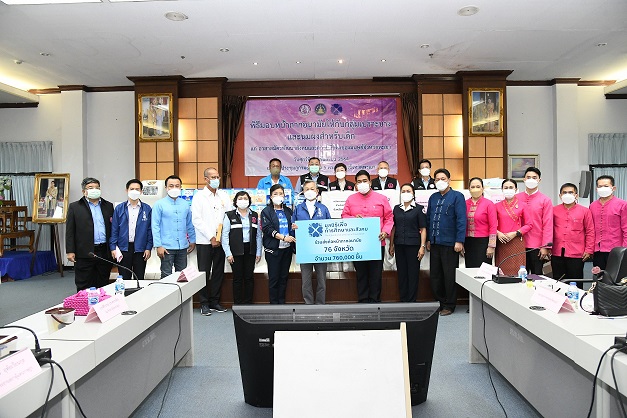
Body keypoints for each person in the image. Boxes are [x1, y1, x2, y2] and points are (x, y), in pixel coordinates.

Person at [341, 170, 393, 303]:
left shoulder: (381, 198)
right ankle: (363, 301)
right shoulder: (351, 199)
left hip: (377, 242)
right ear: (356, 184)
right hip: (358, 244)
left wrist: (385, 231)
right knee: (361, 274)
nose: (362, 183)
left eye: (365, 181)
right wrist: (354, 218)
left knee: (376, 274)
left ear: (370, 182)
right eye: (359, 182)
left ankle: (375, 302)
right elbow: (344, 216)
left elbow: (389, 217)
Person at [426, 168, 466, 316]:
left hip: (450, 244)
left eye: (443, 179)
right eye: (437, 179)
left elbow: (461, 220)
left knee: (449, 275)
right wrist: (429, 239)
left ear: (449, 180)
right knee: (435, 275)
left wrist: (459, 241)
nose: (440, 181)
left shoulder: (457, 196)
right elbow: (429, 219)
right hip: (435, 243)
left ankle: (449, 305)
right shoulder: (433, 197)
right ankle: (439, 302)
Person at [192, 168, 231, 315]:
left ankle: (215, 301)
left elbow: (229, 215)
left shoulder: (224, 195)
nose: (216, 179)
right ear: (206, 179)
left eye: (217, 177)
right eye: (212, 177)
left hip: (221, 241)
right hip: (205, 241)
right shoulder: (199, 197)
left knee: (218, 272)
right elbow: (197, 220)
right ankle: (204, 303)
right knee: (204, 272)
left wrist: (222, 237)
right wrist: (211, 237)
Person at [66, 177, 114, 291]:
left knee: (103, 283)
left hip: (104, 251)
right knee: (84, 284)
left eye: (97, 187)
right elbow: (70, 231)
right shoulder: (75, 207)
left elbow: (113, 228)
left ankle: (102, 302)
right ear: (84, 191)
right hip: (85, 251)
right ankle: (84, 303)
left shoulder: (108, 206)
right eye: (90, 188)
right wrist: (70, 251)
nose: (94, 190)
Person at [292, 180, 332, 304]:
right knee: (306, 280)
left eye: (312, 189)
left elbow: (330, 228)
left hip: (320, 249)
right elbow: (292, 228)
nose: (309, 191)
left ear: (317, 191)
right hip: (304, 249)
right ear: (303, 192)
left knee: (322, 279)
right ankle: (308, 304)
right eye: (307, 189)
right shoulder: (298, 209)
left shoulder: (323, 208)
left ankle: (320, 304)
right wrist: (294, 228)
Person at [151, 175, 196, 278]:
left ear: (180, 187)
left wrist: (192, 240)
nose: (174, 188)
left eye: (177, 186)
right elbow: (155, 226)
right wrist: (158, 245)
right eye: (171, 186)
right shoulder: (159, 204)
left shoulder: (185, 204)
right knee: (166, 275)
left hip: (182, 246)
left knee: (182, 276)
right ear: (166, 188)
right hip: (166, 247)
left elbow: (189, 224)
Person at [389, 183, 427, 302]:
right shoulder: (396, 208)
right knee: (402, 273)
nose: (406, 193)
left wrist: (422, 246)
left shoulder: (419, 209)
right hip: (399, 244)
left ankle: (411, 300)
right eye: (403, 191)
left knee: (413, 273)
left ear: (413, 194)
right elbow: (394, 227)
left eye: (408, 191)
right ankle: (403, 299)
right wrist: (391, 245)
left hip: (413, 245)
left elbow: (423, 229)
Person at [222, 191, 262, 305]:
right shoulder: (229, 215)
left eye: (245, 198)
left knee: (249, 277)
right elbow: (225, 235)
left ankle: (248, 304)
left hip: (250, 249)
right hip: (235, 251)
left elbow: (258, 235)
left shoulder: (254, 215)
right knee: (237, 278)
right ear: (235, 201)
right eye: (240, 198)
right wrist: (228, 253)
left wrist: (258, 252)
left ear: (249, 201)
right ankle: (238, 304)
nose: (243, 200)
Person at [109, 179, 152, 282]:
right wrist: (113, 247)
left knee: (139, 278)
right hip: (123, 248)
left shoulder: (147, 209)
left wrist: (148, 247)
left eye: (137, 189)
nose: (134, 191)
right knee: (124, 278)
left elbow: (150, 230)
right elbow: (114, 229)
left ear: (141, 191)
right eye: (132, 189)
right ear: (126, 190)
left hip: (140, 249)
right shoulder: (119, 208)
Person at [551, 183, 594, 284]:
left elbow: (590, 231)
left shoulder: (585, 211)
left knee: (576, 281)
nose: (567, 195)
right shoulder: (554, 210)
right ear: (560, 196)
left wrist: (589, 250)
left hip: (577, 253)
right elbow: (548, 229)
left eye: (570, 192)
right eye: (564, 192)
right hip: (557, 252)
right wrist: (547, 247)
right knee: (558, 281)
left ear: (576, 195)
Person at [261, 184, 295, 304]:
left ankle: (282, 303)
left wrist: (295, 227)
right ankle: (274, 305)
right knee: (274, 278)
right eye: (275, 194)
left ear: (284, 196)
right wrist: (283, 237)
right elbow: (267, 229)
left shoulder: (288, 211)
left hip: (287, 250)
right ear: (270, 197)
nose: (278, 196)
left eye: (281, 193)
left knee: (284, 278)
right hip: (273, 250)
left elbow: (292, 226)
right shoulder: (266, 211)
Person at [516, 167, 553, 275]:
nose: (531, 180)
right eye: (528, 177)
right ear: (524, 179)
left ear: (539, 180)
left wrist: (545, 246)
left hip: (537, 245)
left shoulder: (545, 200)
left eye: (534, 177)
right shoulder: (516, 198)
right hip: (518, 243)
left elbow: (548, 224)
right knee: (519, 275)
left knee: (536, 276)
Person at [495, 179, 532, 276]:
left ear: (516, 189)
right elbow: (492, 224)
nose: (508, 190)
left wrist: (516, 233)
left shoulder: (523, 205)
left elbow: (529, 225)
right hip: (502, 242)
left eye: (511, 187)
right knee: (502, 272)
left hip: (516, 241)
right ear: (502, 190)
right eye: (506, 188)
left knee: (517, 271)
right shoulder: (496, 206)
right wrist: (498, 233)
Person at [590, 175, 627, 270]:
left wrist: (624, 250)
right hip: (597, 250)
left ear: (613, 188)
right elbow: (590, 230)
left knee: (615, 277)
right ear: (596, 189)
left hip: (617, 250)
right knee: (599, 276)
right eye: (600, 186)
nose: (603, 188)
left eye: (606, 186)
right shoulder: (592, 206)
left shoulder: (622, 205)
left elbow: (626, 229)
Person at [464, 177, 497, 268]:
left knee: (483, 271)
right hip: (468, 242)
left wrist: (491, 246)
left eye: (478, 187)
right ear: (469, 189)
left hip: (483, 242)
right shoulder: (464, 203)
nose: (475, 189)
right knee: (470, 270)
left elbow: (493, 226)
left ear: (483, 188)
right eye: (473, 187)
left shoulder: (489, 204)